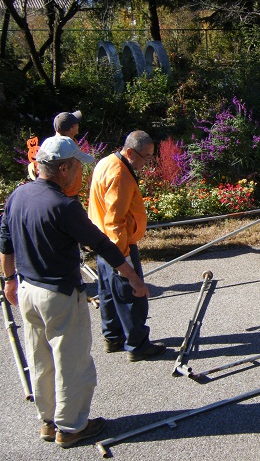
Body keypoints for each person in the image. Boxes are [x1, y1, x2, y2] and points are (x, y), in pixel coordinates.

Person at [0, 136, 149, 447]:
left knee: (40, 360)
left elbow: (5, 243)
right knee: (72, 363)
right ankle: (71, 428)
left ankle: (48, 420)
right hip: (59, 295)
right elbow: (101, 244)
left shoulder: (18, 196)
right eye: (78, 167)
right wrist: (133, 278)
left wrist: (9, 280)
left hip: (27, 291)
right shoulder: (64, 206)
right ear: (64, 169)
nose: (81, 173)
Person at [88, 130, 166, 361]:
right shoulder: (120, 174)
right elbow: (115, 221)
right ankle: (138, 345)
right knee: (132, 293)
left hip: (101, 242)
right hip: (117, 244)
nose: (149, 163)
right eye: (147, 157)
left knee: (109, 293)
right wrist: (124, 261)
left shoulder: (107, 162)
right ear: (130, 152)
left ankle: (112, 338)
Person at [52, 111, 85, 198]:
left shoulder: (71, 141)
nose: (78, 125)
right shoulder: (57, 148)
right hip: (64, 196)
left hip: (72, 193)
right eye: (76, 123)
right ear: (71, 129)